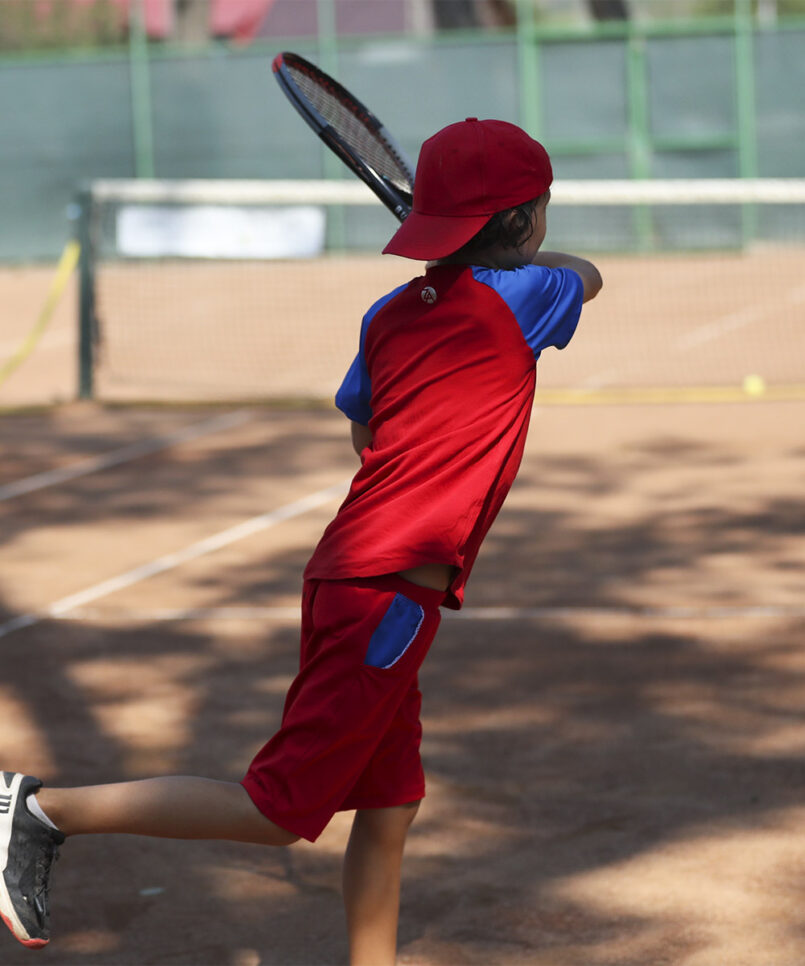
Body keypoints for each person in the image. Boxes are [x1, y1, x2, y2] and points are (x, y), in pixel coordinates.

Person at [0, 117, 602, 965]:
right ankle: (40, 810)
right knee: (280, 813)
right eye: (538, 209)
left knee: (389, 806)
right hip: (386, 594)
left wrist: (478, 252)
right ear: (519, 224)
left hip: (360, 577)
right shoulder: (526, 297)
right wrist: (514, 255)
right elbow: (587, 273)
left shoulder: (388, 316)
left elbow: (366, 436)